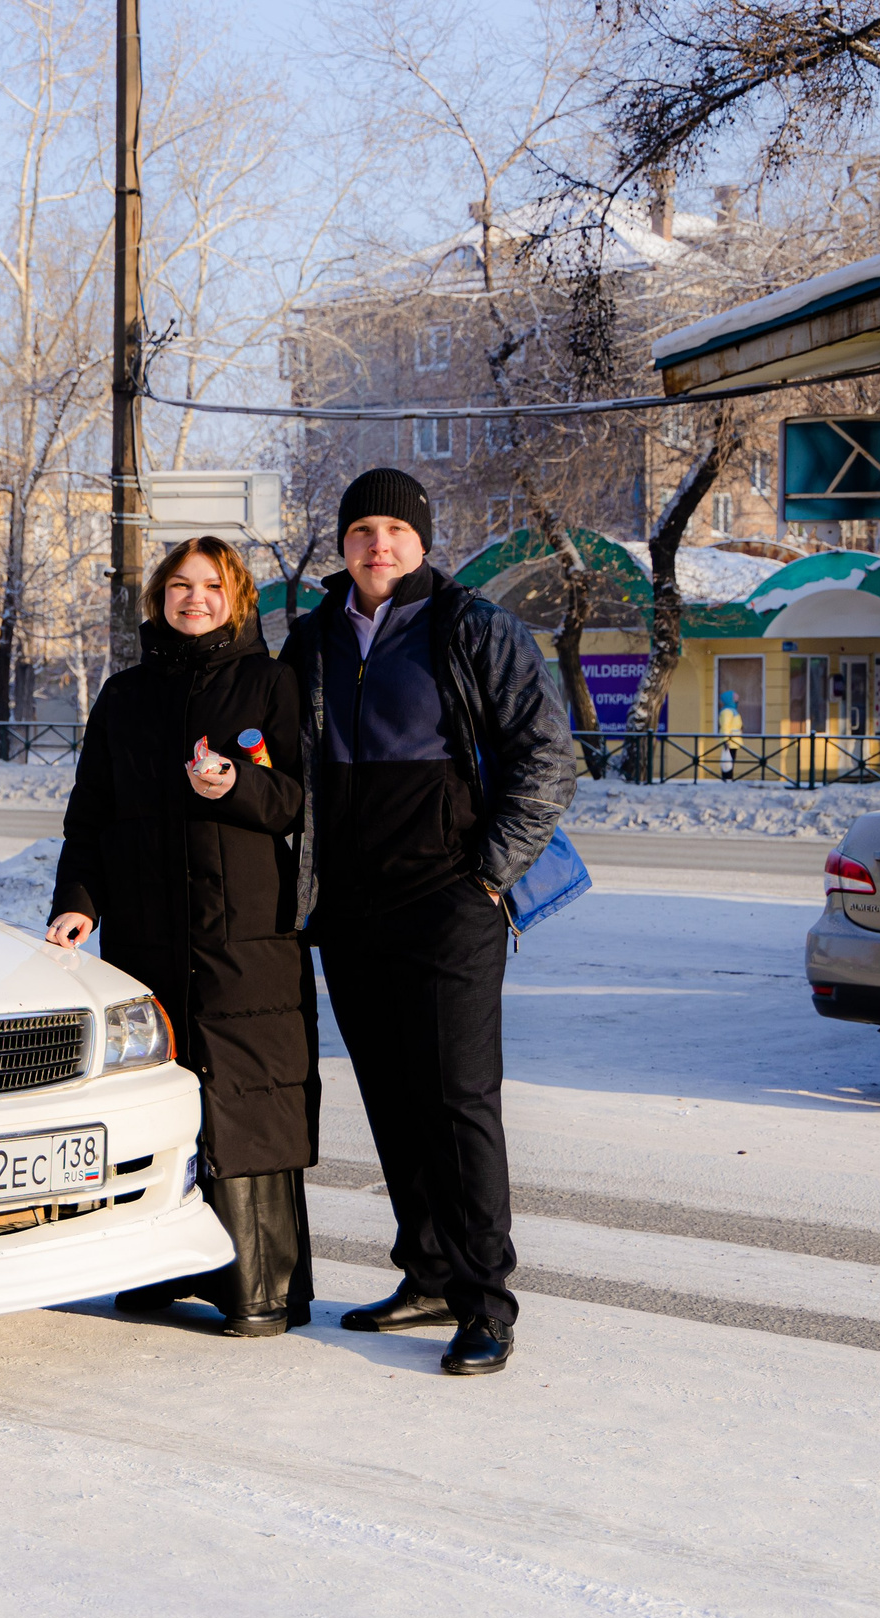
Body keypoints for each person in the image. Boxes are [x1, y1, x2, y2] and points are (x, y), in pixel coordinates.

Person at [280, 469, 575, 1377]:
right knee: (393, 1099)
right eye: (363, 530)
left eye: (396, 531)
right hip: (353, 912)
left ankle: (487, 1300)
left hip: (450, 902)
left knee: (457, 1102)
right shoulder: (311, 640)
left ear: (422, 540)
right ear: (342, 544)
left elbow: (548, 758)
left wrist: (486, 876)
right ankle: (429, 1271)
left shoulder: (474, 629)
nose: (379, 546)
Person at [47, 536, 318, 1335]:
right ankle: (155, 1267)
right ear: (159, 597)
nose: (193, 598)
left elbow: (304, 801)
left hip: (246, 934)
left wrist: (240, 785)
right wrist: (79, 900)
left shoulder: (270, 683)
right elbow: (89, 814)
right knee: (157, 1091)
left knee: (246, 1094)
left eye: (210, 585)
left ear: (237, 597)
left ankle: (259, 1286)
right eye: (178, 585)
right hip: (144, 930)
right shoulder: (124, 697)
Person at [716, 688, 743, 782]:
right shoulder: (727, 712)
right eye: (735, 696)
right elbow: (725, 727)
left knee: (730, 760)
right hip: (730, 741)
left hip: (734, 741)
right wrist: (726, 740)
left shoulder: (732, 710)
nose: (737, 697)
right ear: (729, 698)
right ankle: (727, 779)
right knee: (728, 761)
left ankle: (728, 778)